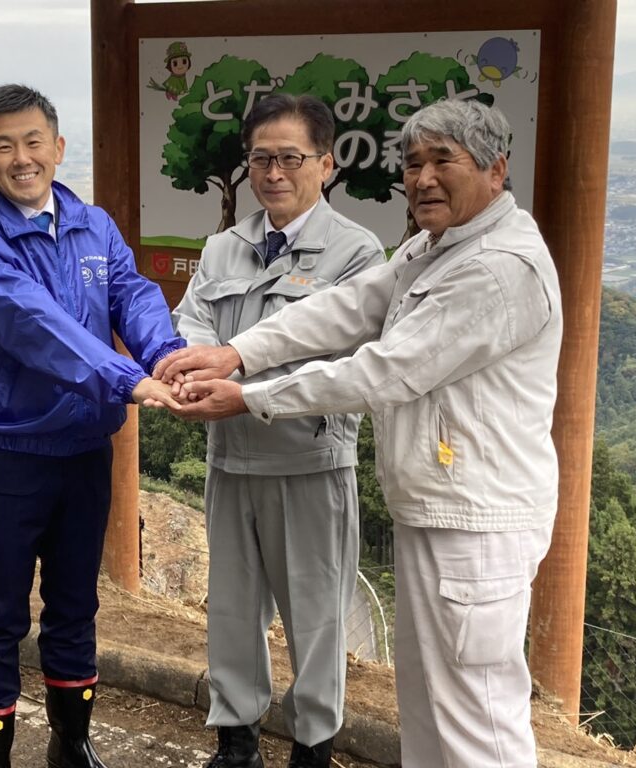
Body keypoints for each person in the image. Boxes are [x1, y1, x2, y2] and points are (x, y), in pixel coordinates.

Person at [154, 99, 563, 768]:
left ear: (497, 169)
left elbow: (384, 371)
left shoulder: (495, 268)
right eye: (413, 163)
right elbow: (345, 310)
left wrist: (248, 394)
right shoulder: (432, 250)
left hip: (477, 519)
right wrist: (238, 354)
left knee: (477, 716)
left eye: (443, 161)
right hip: (436, 508)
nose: (424, 178)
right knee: (432, 706)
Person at [0, 83, 184, 768]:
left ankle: (71, 747)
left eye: (33, 141)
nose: (22, 158)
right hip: (7, 459)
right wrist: (127, 378)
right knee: (1, 615)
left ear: (58, 146)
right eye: (4, 146)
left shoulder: (93, 225)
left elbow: (131, 292)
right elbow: (31, 323)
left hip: (83, 453)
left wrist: (165, 354)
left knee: (75, 607)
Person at [170, 93, 383, 768]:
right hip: (230, 460)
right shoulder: (223, 247)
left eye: (290, 157)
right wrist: (196, 379)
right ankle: (237, 741)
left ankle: (313, 746)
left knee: (317, 620)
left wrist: (244, 391)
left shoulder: (356, 253)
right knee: (232, 611)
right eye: (261, 157)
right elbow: (191, 324)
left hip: (309, 463)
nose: (274, 172)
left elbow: (341, 355)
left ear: (326, 163)